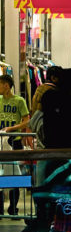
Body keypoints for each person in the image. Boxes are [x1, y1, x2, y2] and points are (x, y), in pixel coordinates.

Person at [11, 69, 71, 232]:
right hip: (64, 161)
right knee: (63, 207)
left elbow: (41, 126)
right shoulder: (69, 103)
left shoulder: (48, 99)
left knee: (54, 207)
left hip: (50, 157)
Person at [0, 74, 30, 218]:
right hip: (1, 141)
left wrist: (12, 128)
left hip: (15, 140)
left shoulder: (19, 101)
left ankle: (13, 207)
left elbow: (27, 121)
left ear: (6, 85)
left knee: (15, 175)